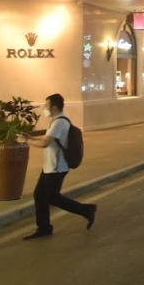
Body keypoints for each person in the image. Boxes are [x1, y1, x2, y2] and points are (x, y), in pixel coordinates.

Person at [18, 93, 96, 240]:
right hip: (50, 166)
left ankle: (86, 210)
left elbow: (44, 143)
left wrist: (25, 141)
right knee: (40, 195)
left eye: (46, 106)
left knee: (53, 197)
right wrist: (30, 138)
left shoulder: (60, 122)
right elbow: (49, 140)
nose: (44, 109)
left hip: (56, 167)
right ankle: (44, 227)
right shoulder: (56, 121)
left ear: (53, 107)